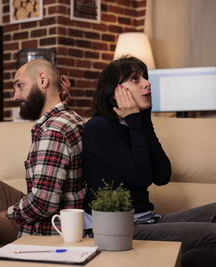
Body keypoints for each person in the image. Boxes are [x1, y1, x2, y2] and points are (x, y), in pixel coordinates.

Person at [83, 55, 216, 267]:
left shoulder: (131, 125)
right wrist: (136, 120)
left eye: (145, 77)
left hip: (148, 219)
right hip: (119, 229)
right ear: (114, 92)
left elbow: (162, 176)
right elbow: (141, 177)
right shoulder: (98, 128)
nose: (147, 83)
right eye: (135, 79)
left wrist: (144, 120)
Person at [0, 59, 86, 246]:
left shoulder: (53, 131)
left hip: (45, 228)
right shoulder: (70, 117)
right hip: (45, 212)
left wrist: (7, 214)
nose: (15, 96)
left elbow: (43, 205)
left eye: (20, 86)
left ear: (43, 80)